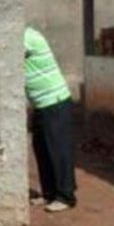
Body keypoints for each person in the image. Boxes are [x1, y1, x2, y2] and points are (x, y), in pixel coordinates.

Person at [25, 26, 77, 213]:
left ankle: (66, 196)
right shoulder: (23, 36)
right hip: (41, 104)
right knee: (42, 149)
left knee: (58, 149)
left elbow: (6, 53)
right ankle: (49, 193)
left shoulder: (27, 37)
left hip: (55, 101)